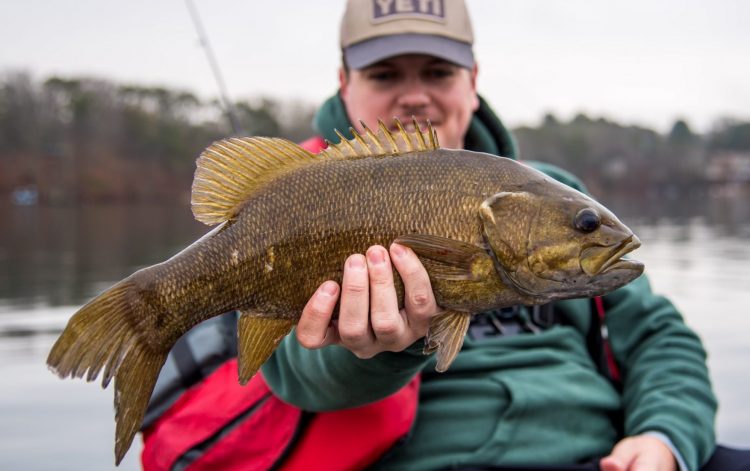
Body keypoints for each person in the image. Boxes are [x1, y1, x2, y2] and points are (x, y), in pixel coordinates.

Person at [141, 1, 736, 470]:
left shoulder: (554, 189)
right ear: (344, 83)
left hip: (606, 454)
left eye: (437, 71)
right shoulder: (299, 196)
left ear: (472, 80)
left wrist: (664, 438)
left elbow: (659, 336)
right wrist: (384, 348)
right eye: (384, 74)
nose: (414, 94)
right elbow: (295, 375)